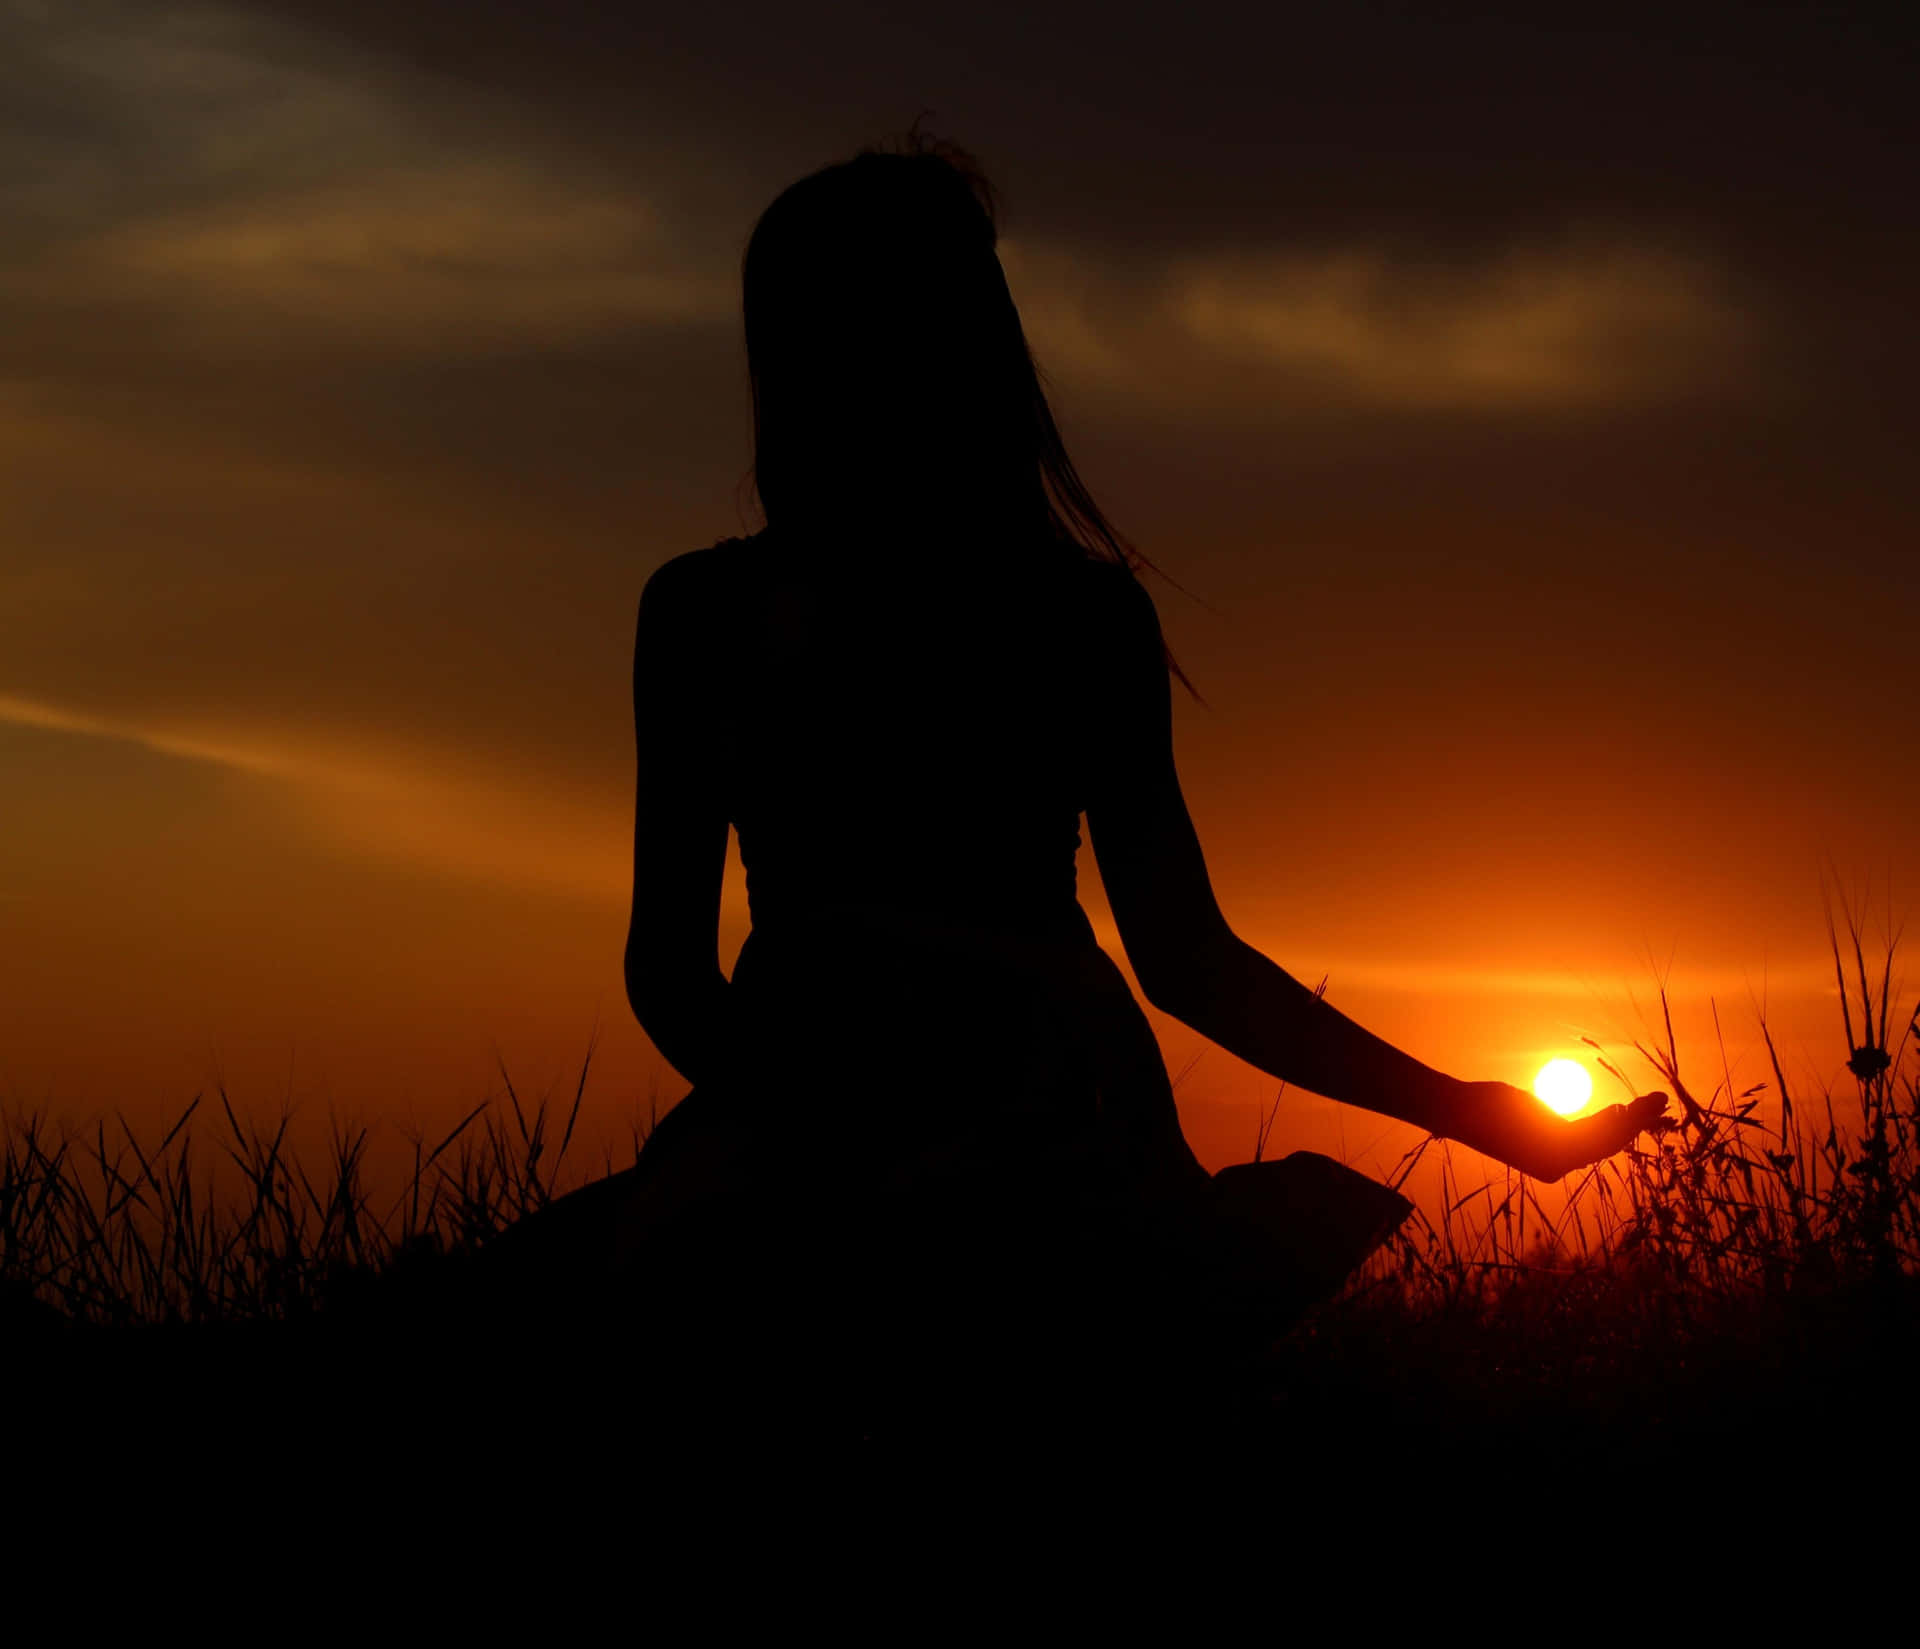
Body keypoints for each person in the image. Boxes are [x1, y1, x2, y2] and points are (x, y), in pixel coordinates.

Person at [607, 135, 1668, 1442]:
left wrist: (1474, 1110)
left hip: (1027, 1119)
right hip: (863, 1115)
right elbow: (1184, 962)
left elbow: (1187, 959)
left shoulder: (1024, 616)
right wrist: (828, 1127)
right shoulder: (760, 613)